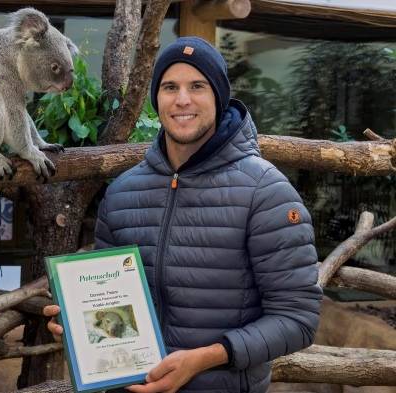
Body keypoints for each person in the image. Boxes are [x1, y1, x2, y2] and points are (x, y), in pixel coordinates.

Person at [44, 36, 323, 393]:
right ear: (156, 99)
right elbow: (109, 298)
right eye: (170, 86)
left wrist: (204, 358)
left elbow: (298, 320)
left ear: (219, 97)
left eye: (197, 86)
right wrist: (81, 324)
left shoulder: (266, 192)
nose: (182, 100)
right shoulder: (122, 192)